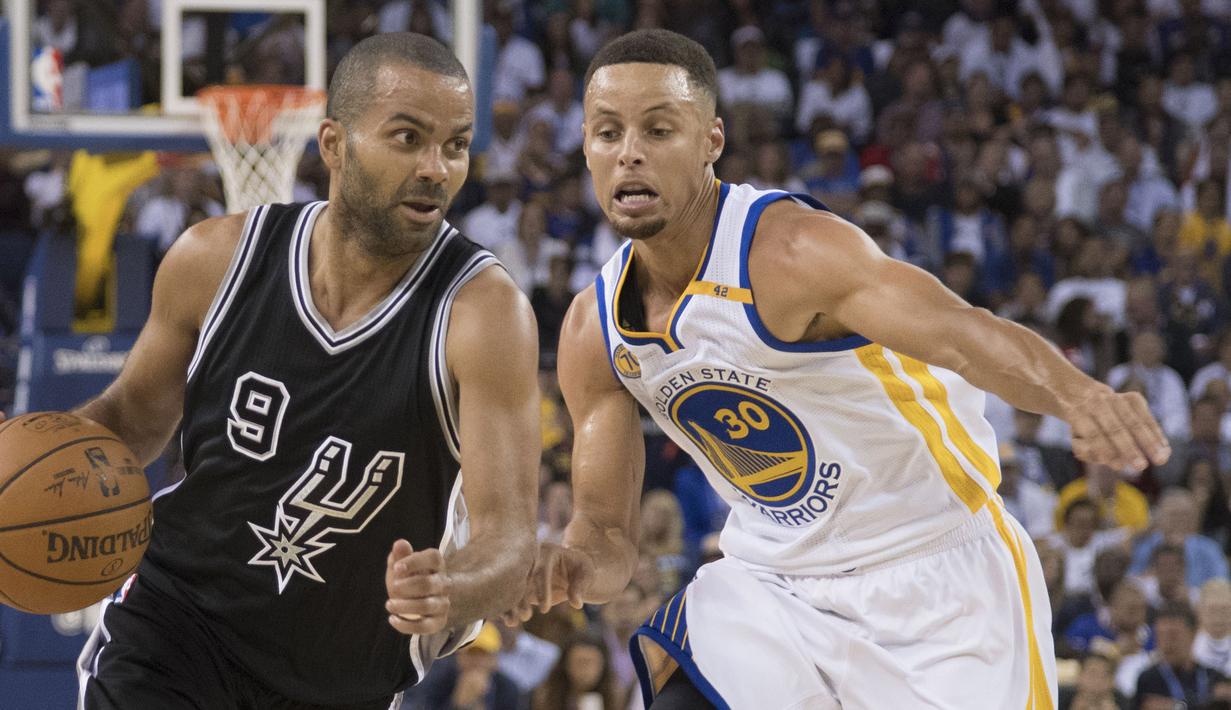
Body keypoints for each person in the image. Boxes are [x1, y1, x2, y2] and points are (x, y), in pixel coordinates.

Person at [508, 29, 1172, 710]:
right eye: (606, 133)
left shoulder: (792, 253)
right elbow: (605, 532)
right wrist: (574, 564)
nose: (630, 153)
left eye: (657, 129)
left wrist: (1077, 395)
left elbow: (962, 335)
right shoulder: (595, 330)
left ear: (711, 141)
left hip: (937, 574)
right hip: (773, 583)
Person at [43, 33, 540, 709]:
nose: (436, 167)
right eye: (407, 137)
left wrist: (458, 586)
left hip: (342, 675)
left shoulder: (482, 313)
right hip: (176, 631)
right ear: (333, 145)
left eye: (454, 145)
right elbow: (129, 420)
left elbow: (508, 537)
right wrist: (39, 453)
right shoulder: (213, 260)